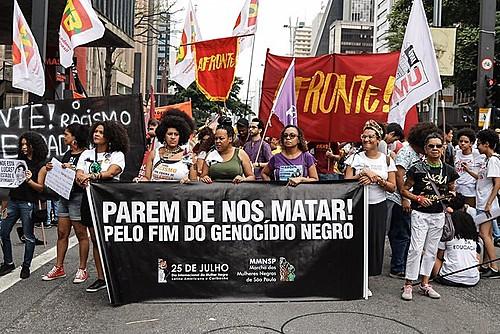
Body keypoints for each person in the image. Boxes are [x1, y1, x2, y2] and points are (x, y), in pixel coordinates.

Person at [401, 132, 459, 301]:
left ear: (443, 148)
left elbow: (452, 189)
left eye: (438, 146)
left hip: (438, 215)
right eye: (431, 146)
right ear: (425, 149)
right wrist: (417, 198)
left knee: (431, 250)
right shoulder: (416, 168)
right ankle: (408, 284)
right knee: (415, 249)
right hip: (420, 213)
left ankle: (425, 283)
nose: (435, 149)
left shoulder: (449, 170)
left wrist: (450, 197)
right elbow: (404, 189)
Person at [76, 120, 129, 292]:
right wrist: (82, 177)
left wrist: (92, 176)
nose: (96, 134)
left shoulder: (117, 154)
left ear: (110, 136)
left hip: (109, 201)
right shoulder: (86, 154)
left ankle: (119, 274)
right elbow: (79, 174)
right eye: (95, 131)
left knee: (112, 239)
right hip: (89, 199)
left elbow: (112, 172)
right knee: (95, 240)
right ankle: (101, 277)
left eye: (101, 132)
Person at [345, 120, 397, 281]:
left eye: (370, 137)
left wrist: (377, 180)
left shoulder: (386, 160)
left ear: (378, 139)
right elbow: (346, 182)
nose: (366, 140)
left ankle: (368, 275)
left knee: (375, 240)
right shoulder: (354, 158)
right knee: (356, 240)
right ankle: (355, 274)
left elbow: (392, 187)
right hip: (358, 205)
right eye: (364, 137)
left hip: (378, 205)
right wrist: (361, 175)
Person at [388, 122, 439, 279]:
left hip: (412, 200)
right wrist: (405, 198)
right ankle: (397, 268)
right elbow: (399, 175)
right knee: (401, 234)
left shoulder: (417, 154)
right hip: (400, 200)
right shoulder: (406, 152)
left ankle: (404, 264)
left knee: (407, 234)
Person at [41, 124, 90, 283]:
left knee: (81, 234)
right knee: (62, 233)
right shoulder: (67, 154)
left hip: (78, 197)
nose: (64, 137)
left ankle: (82, 269)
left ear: (74, 138)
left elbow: (87, 173)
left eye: (66, 134)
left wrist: (74, 168)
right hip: (64, 197)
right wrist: (52, 168)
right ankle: (59, 267)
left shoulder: (87, 154)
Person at [0, 132, 48, 279]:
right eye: (22, 144)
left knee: (28, 236)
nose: (24, 147)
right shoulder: (18, 161)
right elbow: (9, 185)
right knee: (3, 232)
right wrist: (4, 205)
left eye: (27, 144)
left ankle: (26, 266)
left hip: (28, 203)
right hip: (14, 201)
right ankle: (8, 262)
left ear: (35, 145)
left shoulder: (42, 165)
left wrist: (28, 180)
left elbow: (40, 188)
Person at [469, 129, 500, 277]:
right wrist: (468, 170)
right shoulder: (487, 160)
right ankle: (487, 265)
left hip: (487, 204)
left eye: (479, 144)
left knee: (483, 234)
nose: (477, 147)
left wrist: (489, 203)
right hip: (483, 202)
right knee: (487, 234)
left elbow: (497, 183)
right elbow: (482, 178)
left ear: (487, 144)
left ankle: (494, 266)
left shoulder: (493, 160)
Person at [141, 113, 197, 182]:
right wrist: (139, 181)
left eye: (176, 134)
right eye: (169, 134)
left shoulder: (188, 156)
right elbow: (147, 178)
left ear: (181, 136)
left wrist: (187, 181)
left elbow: (194, 182)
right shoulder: (154, 154)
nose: (173, 137)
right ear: (164, 135)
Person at [432, 210, 480, 287]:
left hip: (449, 278)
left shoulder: (448, 237)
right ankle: (471, 273)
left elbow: (439, 256)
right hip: (473, 280)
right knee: (476, 256)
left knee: (430, 254)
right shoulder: (473, 241)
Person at [200, 117, 255, 184]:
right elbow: (202, 177)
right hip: (214, 192)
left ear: (230, 139)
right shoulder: (210, 155)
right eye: (216, 139)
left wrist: (243, 179)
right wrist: (205, 178)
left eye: (221, 138)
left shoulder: (240, 153)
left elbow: (251, 177)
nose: (217, 141)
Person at [454, 128, 483, 207]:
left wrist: (468, 170)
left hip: (470, 191)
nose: (462, 143)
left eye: (466, 142)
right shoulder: (456, 153)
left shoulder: (478, 155)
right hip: (458, 189)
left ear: (471, 143)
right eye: (461, 141)